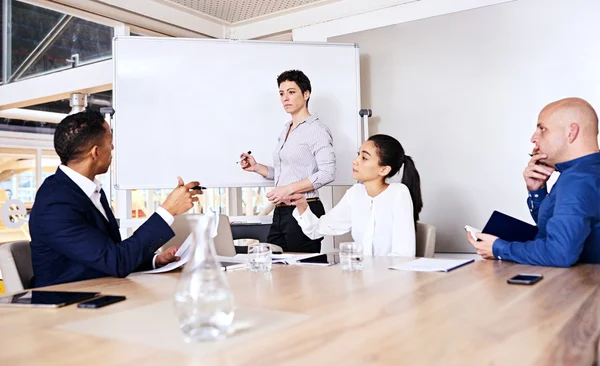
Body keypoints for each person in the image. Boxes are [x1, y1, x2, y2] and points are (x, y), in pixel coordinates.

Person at [29, 110, 202, 287]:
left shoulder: (87, 190)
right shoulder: (55, 204)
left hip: (103, 293)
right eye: (110, 142)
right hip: (69, 305)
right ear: (95, 152)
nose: (112, 148)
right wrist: (168, 210)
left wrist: (155, 260)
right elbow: (116, 261)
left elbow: (107, 255)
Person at [467, 97, 600, 267]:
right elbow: (556, 231)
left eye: (542, 129)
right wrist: (537, 192)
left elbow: (559, 254)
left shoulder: (576, 179)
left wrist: (499, 248)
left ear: (571, 132)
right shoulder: (586, 171)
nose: (533, 138)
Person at [240, 70, 336, 253]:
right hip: (280, 212)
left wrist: (289, 188)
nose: (285, 98)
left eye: (291, 92)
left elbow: (327, 173)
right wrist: (257, 167)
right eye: (282, 93)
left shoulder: (317, 130)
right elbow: (287, 172)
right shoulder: (286, 129)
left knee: (303, 274)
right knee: (274, 268)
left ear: (306, 94)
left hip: (305, 208)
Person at [284, 134, 423, 256]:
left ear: (384, 169)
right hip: (362, 275)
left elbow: (403, 254)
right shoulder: (355, 193)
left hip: (391, 280)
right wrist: (302, 204)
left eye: (364, 158)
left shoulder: (398, 193)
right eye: (358, 154)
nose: (355, 161)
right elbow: (317, 230)